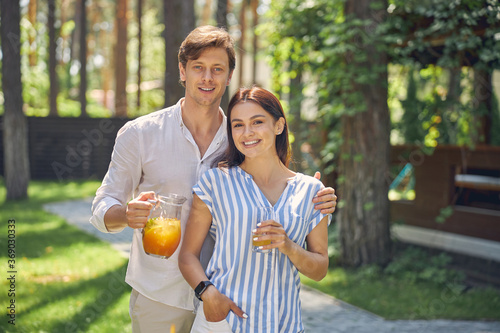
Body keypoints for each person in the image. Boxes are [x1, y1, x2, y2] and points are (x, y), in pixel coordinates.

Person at [90, 26, 336, 333]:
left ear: (229, 75)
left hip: (231, 300)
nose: (207, 78)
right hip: (162, 294)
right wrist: (126, 215)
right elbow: (103, 205)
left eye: (217, 69)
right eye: (198, 68)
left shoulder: (240, 134)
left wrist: (314, 195)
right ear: (183, 71)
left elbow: (273, 181)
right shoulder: (140, 135)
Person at [179, 86, 331, 333]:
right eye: (238, 125)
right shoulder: (215, 182)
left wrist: (289, 246)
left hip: (285, 325)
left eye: (257, 122)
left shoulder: (311, 190)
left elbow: (320, 269)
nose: (247, 133)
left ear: (279, 126)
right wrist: (208, 294)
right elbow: (187, 256)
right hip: (224, 323)